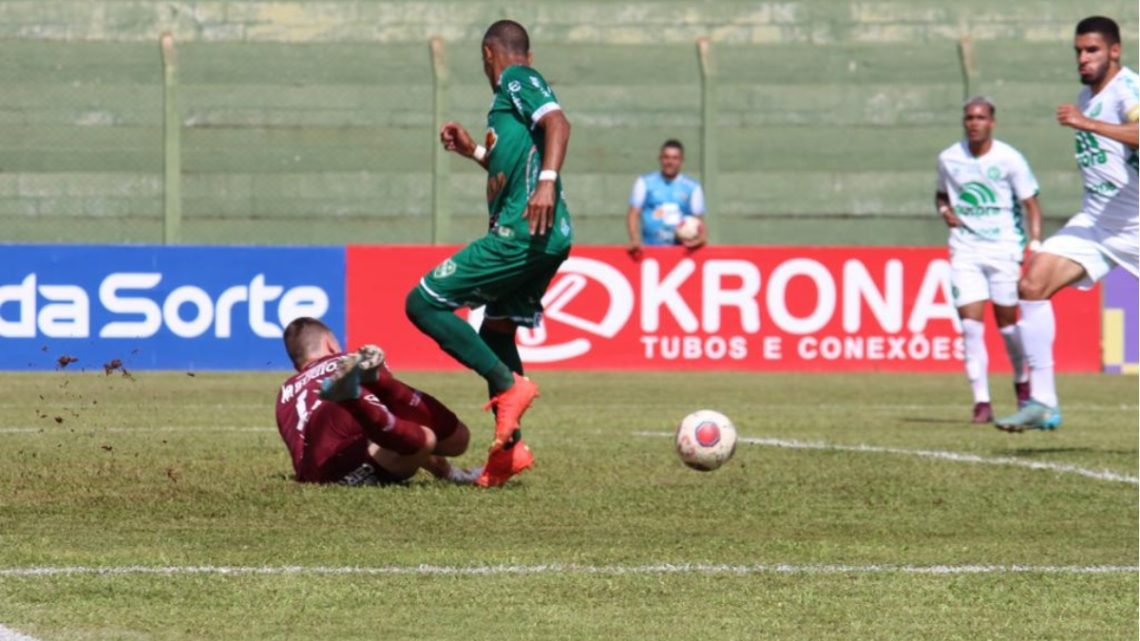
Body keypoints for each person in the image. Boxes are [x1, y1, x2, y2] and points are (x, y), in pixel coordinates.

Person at [404, 20, 572, 486]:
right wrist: (475, 151)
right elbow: (517, 158)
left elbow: (559, 123)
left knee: (422, 302)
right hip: (544, 237)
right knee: (497, 332)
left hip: (522, 231)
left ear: (487, 53)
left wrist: (547, 184)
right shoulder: (509, 103)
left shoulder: (517, 79)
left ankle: (506, 385)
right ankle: (509, 454)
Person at [996, 16, 1138, 432]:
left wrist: (1087, 123)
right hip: (1096, 223)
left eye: (1092, 50)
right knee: (1032, 284)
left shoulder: (1126, 90)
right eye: (1078, 50)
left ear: (1115, 51)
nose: (1083, 57)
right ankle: (1042, 401)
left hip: (1135, 224)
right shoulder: (1087, 94)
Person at [935, 96, 1042, 423]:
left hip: (1004, 249)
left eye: (981, 117)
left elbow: (1032, 204)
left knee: (1008, 327)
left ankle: (1022, 383)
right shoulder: (949, 158)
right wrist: (944, 210)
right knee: (969, 327)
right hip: (965, 249)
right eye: (969, 117)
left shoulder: (1009, 159)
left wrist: (1035, 245)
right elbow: (941, 193)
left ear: (992, 122)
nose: (974, 122)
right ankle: (981, 402)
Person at [274, 317, 479, 486]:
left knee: (424, 439)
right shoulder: (348, 361)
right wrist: (446, 472)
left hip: (315, 456)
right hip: (340, 435)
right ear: (330, 343)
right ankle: (372, 387)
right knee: (453, 439)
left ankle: (355, 397)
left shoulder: (285, 392)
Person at [626, 139, 708, 256]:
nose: (670, 162)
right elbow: (633, 213)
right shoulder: (645, 182)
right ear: (660, 158)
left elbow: (699, 221)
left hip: (681, 253)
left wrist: (700, 239)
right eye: (666, 157)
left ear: (681, 160)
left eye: (675, 158)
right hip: (650, 250)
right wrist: (634, 238)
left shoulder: (693, 187)